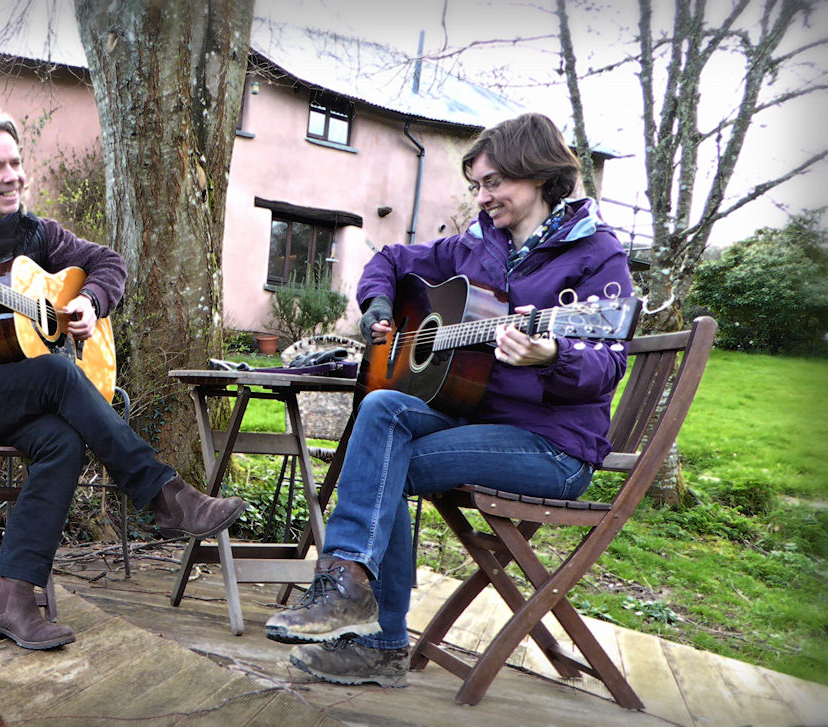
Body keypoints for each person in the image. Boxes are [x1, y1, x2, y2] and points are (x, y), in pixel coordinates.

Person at [263, 112, 633, 687]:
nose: (482, 197)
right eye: (476, 186)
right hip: (474, 418)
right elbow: (389, 260)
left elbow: (609, 362)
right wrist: (379, 307)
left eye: (494, 184)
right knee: (382, 408)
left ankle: (380, 639)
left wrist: (552, 356)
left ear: (538, 175)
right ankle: (346, 584)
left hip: (555, 447)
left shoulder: (594, 252)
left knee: (386, 459)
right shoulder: (475, 248)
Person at [0, 97, 245, 651]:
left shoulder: (36, 234)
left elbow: (110, 262)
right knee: (54, 374)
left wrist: (92, 301)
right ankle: (166, 498)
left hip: (12, 393)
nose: (13, 176)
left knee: (62, 438)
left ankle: (11, 600)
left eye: (16, 162)